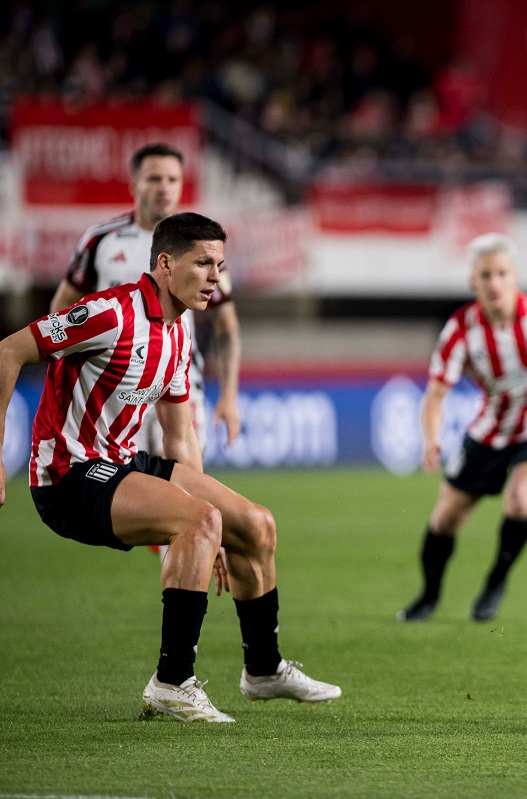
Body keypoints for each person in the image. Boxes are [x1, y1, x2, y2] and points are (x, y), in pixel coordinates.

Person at [0, 213, 339, 723]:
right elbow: (9, 351)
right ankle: (172, 683)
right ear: (164, 262)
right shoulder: (108, 313)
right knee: (200, 522)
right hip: (68, 475)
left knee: (255, 524)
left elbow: (180, 436)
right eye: (203, 263)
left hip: (121, 461)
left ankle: (264, 671)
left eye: (220, 265)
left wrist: (212, 527)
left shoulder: (179, 331)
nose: (215, 277)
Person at [398, 233, 527, 623]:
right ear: (473, 282)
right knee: (445, 519)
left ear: (515, 278)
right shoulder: (460, 330)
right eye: (486, 275)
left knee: (520, 502)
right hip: (491, 429)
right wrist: (431, 439)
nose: (494, 282)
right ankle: (428, 596)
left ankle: (496, 581)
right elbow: (435, 395)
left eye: (502, 274)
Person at [51, 143, 242, 460]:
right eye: (154, 179)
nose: (164, 188)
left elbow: (227, 324)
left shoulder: (200, 247)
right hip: (116, 389)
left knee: (184, 495)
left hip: (180, 386)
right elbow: (62, 309)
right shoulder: (100, 240)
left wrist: (229, 395)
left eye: (173, 179)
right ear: (134, 183)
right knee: (129, 496)